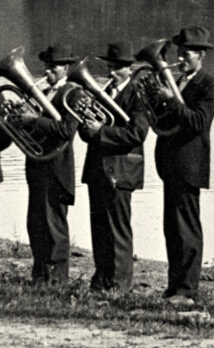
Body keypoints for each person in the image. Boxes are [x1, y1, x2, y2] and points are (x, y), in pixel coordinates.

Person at [137, 26, 214, 307]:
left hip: (191, 163)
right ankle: (175, 286)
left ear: (201, 56)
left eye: (186, 54)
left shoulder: (208, 85)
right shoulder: (179, 80)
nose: (180, 59)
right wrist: (153, 98)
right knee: (172, 227)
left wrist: (170, 99)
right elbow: (161, 121)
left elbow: (198, 122)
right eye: (179, 53)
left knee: (187, 228)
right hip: (170, 163)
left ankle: (187, 289)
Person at [80, 41, 148, 292]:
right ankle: (102, 279)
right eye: (109, 66)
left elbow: (138, 133)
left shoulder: (138, 95)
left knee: (118, 229)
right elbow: (88, 134)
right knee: (99, 227)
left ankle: (119, 285)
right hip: (98, 168)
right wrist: (87, 126)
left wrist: (101, 132)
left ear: (129, 69)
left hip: (121, 170)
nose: (111, 73)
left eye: (117, 68)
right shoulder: (104, 92)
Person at [12, 44, 79, 285]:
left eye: (54, 68)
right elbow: (34, 126)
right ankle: (40, 274)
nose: (48, 72)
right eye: (47, 67)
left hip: (58, 166)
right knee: (36, 222)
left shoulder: (73, 93)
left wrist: (34, 119)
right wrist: (20, 117)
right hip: (37, 165)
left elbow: (67, 130)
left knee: (55, 223)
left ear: (66, 68)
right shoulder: (42, 94)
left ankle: (58, 279)